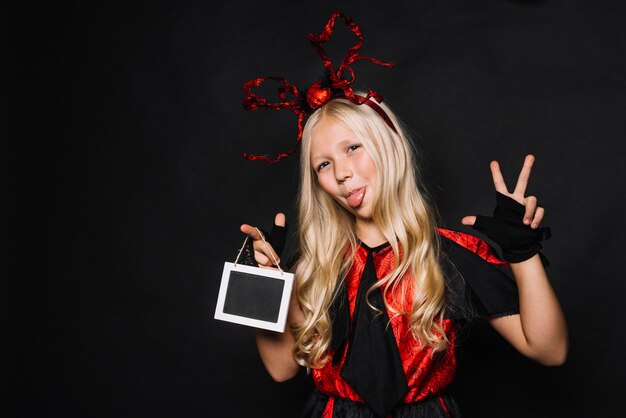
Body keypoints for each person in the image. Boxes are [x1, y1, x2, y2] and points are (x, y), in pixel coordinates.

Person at [239, 96, 568, 418]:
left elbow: (550, 351)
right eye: (323, 164)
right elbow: (280, 370)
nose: (341, 173)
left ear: (388, 145)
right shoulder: (314, 266)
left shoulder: (450, 256)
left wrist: (523, 253)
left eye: (353, 148)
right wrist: (261, 282)